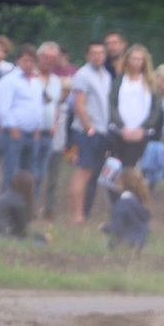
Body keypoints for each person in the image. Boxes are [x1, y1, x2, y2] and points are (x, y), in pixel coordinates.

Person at [68, 40, 112, 224]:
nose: (98, 56)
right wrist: (89, 128)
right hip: (87, 131)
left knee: (91, 173)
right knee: (82, 172)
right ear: (87, 55)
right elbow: (78, 105)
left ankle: (83, 213)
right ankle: (76, 215)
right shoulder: (82, 75)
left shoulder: (106, 75)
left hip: (102, 130)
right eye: (94, 53)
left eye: (101, 53)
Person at [0, 44, 46, 187]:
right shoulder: (9, 80)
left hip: (32, 133)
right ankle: (7, 207)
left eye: (32, 61)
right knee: (11, 173)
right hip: (15, 133)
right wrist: (12, 127)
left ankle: (25, 207)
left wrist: (38, 127)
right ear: (18, 61)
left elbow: (38, 106)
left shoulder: (36, 82)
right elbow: (3, 107)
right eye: (26, 60)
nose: (29, 64)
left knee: (29, 174)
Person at [108, 43, 159, 169]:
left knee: (131, 169)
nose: (136, 62)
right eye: (133, 58)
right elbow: (112, 104)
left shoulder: (150, 82)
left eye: (139, 59)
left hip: (140, 134)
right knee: (115, 168)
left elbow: (156, 109)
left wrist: (142, 128)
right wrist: (122, 127)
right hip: (119, 132)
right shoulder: (119, 80)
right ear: (128, 60)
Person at [33, 42, 65, 204]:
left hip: (48, 132)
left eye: (53, 58)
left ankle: (33, 205)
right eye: (46, 57)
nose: (48, 61)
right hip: (31, 132)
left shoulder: (56, 81)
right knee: (28, 171)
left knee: (40, 173)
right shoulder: (31, 77)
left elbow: (56, 105)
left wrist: (55, 123)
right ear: (39, 57)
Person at [0, 171, 46, 244]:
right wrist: (40, 237)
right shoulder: (19, 202)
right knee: (38, 243)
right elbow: (22, 230)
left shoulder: (6, 195)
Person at [103, 167, 152, 256]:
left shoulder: (122, 204)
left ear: (122, 184)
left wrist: (104, 227)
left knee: (107, 246)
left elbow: (117, 227)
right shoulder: (139, 202)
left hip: (125, 242)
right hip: (141, 242)